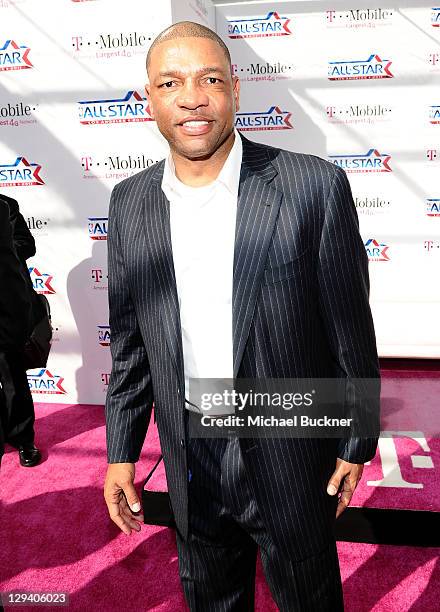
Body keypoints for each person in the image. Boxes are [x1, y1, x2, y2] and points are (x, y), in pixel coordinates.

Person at [104, 21, 380, 610]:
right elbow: (130, 343)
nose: (192, 98)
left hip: (290, 432)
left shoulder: (313, 186)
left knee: (309, 596)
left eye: (209, 79)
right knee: (211, 596)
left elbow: (350, 331)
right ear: (150, 98)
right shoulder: (128, 202)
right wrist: (121, 450)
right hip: (189, 444)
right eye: (171, 82)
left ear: (234, 87)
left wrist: (356, 441)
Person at [0, 194, 43, 467]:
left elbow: (27, 245)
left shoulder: (6, 205)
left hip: (5, 305)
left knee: (13, 378)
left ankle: (23, 438)